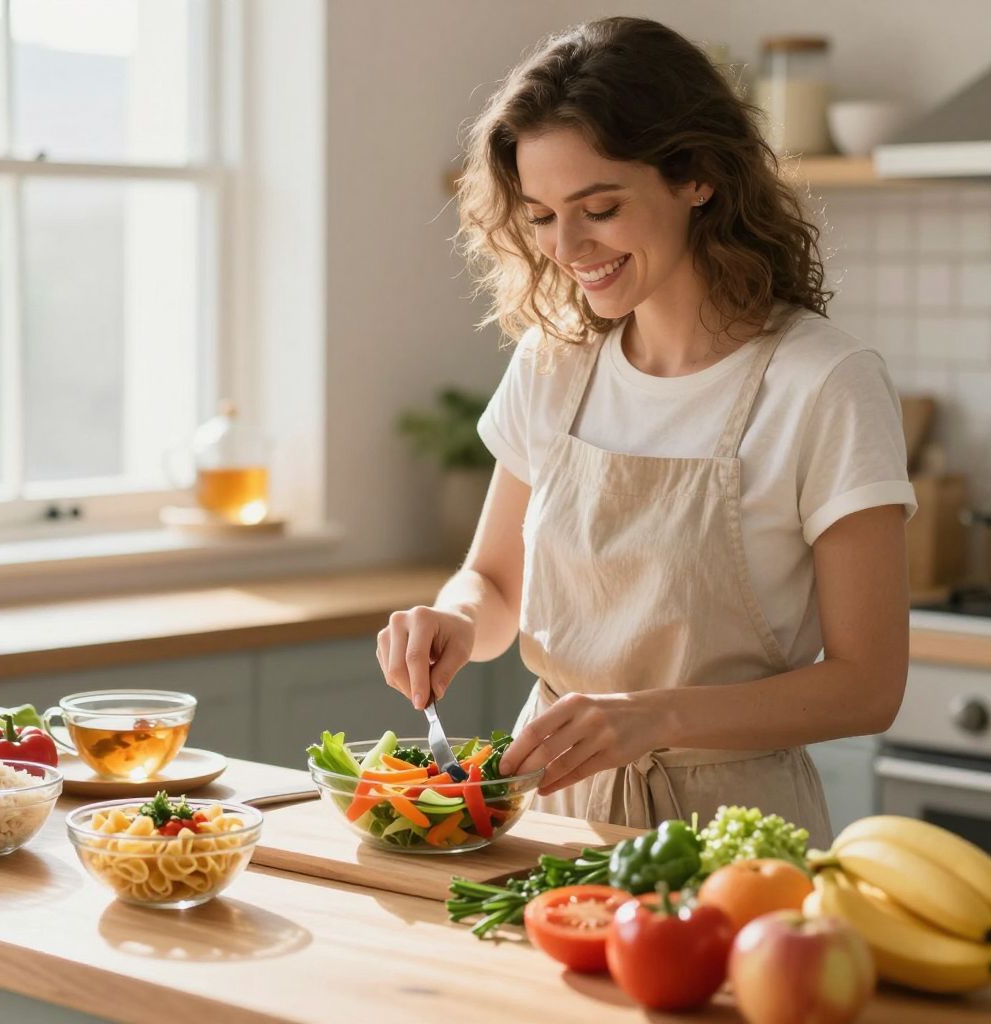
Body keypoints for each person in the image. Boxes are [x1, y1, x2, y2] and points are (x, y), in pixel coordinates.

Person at [374, 17, 915, 847]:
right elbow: (495, 584)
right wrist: (452, 619)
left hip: (735, 832)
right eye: (543, 215)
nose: (568, 248)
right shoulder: (551, 363)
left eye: (599, 208)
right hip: (551, 813)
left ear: (696, 176)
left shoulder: (823, 384)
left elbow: (868, 684)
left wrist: (653, 718)